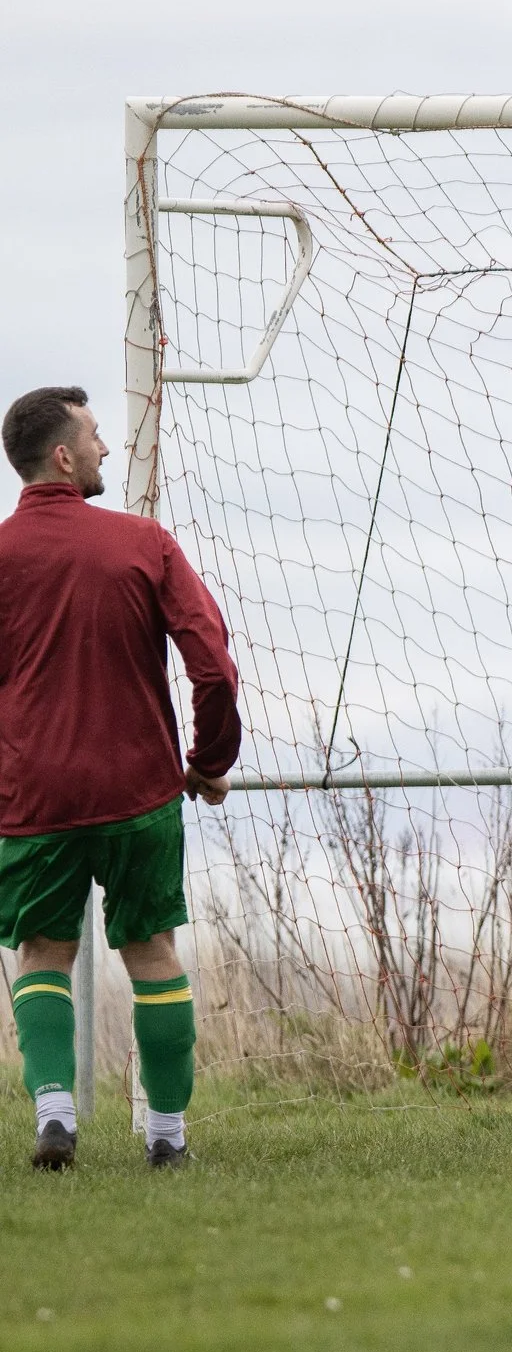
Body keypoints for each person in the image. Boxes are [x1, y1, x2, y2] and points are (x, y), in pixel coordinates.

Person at [0, 387, 240, 1170]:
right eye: (96, 437)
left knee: (41, 953)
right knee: (153, 954)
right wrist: (209, 765)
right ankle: (166, 1141)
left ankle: (57, 1118)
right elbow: (213, 670)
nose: (109, 449)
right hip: (139, 794)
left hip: (34, 798)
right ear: (63, 456)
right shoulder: (144, 542)